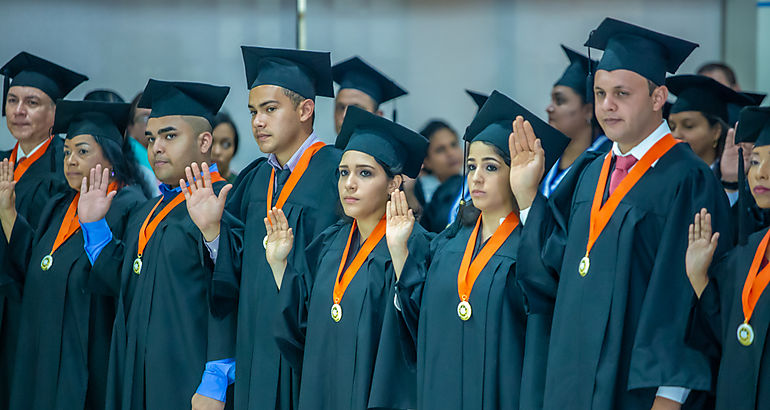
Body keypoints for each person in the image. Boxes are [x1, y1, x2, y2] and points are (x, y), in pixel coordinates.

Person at [512, 18, 732, 409]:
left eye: (621, 93)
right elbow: (554, 271)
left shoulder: (689, 179)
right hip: (571, 382)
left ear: (657, 96)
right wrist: (528, 197)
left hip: (638, 389)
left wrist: (671, 392)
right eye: (599, 93)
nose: (606, 105)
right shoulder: (589, 171)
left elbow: (683, 295)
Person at [390, 90, 567, 410]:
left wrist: (528, 197)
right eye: (472, 167)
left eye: (491, 167)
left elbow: (548, 305)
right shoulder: (447, 244)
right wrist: (401, 252)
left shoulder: (535, 243)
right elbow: (420, 322)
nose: (476, 178)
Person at [77, 79, 243, 410]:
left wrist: (216, 377)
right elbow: (128, 283)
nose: (156, 147)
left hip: (189, 377)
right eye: (151, 138)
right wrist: (94, 226)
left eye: (170, 136)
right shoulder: (147, 209)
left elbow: (236, 292)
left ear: (205, 140)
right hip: (137, 371)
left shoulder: (227, 200)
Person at [269, 106, 431, 410]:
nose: (349, 183)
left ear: (394, 184)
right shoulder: (329, 242)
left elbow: (423, 335)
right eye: (344, 172)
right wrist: (280, 266)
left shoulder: (418, 245)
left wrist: (400, 255)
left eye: (365, 173)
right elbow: (301, 331)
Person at [210, 46, 341, 410]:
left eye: (270, 109)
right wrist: (210, 232)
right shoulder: (254, 179)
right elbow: (230, 272)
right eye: (253, 111)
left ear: (305, 110)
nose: (257, 122)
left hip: (307, 355)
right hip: (252, 351)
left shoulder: (337, 175)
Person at [0, 100, 145, 410]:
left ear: (111, 155)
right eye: (66, 152)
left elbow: (124, 280)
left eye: (82, 151)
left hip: (91, 357)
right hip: (41, 356)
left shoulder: (129, 206)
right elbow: (33, 265)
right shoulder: (59, 204)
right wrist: (8, 211)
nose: (70, 161)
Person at [0, 51, 88, 407]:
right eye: (12, 100)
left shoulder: (63, 173)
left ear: (55, 113)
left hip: (28, 317)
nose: (19, 110)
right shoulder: (1, 160)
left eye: (32, 102)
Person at [685, 106, 770, 410]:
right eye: (756, 161)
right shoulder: (749, 250)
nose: (761, 172)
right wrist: (699, 277)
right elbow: (725, 337)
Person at [541, 45, 610, 197]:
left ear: (588, 110)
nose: (549, 108)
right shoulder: (545, 157)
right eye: (551, 100)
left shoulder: (607, 158)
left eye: (559, 101)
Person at [666, 74, 753, 177]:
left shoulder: (741, 178)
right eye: (672, 127)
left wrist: (731, 183)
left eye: (689, 126)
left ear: (716, 131)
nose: (676, 134)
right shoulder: (666, 178)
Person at [332, 56, 407, 134]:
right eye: (341, 107)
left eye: (355, 109)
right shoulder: (322, 145)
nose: (344, 116)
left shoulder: (383, 146)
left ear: (378, 117)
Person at [416, 120, 464, 233]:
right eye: (440, 150)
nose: (451, 153)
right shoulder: (419, 194)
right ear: (426, 161)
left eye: (454, 145)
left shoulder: (471, 187)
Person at [124, 91, 159, 197]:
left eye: (156, 116)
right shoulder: (128, 166)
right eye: (145, 118)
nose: (153, 123)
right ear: (130, 127)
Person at [211, 112, 240, 184]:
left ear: (234, 149)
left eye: (226, 144)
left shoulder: (241, 189)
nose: (217, 151)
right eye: (210, 142)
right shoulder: (183, 187)